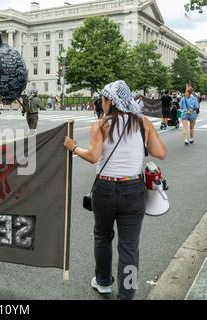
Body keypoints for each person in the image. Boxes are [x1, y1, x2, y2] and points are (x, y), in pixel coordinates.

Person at [63, 80, 166, 300]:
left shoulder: (101, 124)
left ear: (110, 100)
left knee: (102, 236)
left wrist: (73, 147)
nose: (102, 101)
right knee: (129, 246)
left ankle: (102, 282)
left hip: (105, 189)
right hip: (133, 188)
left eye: (103, 98)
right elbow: (160, 153)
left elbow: (92, 156)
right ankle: (127, 293)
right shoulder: (143, 122)